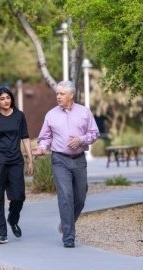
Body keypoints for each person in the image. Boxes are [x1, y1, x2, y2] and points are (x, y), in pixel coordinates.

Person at [32, 80, 99, 248]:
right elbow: (45, 137)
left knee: (81, 197)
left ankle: (66, 222)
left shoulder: (84, 112)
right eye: (57, 94)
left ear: (71, 95)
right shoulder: (51, 115)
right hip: (59, 159)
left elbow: (94, 133)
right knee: (65, 197)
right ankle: (69, 236)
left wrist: (81, 140)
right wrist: (42, 147)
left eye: (62, 94)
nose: (58, 97)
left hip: (79, 160)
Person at [0, 87, 33, 244]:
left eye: (8, 98)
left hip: (16, 161)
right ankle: (1, 233)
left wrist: (30, 159)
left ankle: (12, 218)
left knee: (18, 196)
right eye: (2, 98)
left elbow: (25, 138)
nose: (6, 101)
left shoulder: (19, 116)